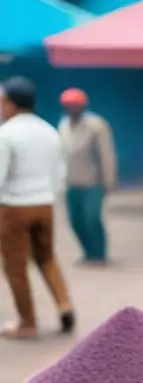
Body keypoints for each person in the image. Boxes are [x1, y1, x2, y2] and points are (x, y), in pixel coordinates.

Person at [0, 77, 75, 339]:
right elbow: (59, 174)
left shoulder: (6, 134)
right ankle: (65, 305)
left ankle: (27, 322)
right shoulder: (49, 131)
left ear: (9, 103)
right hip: (45, 205)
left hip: (14, 207)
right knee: (46, 257)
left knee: (15, 267)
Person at [57, 88, 117, 265]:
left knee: (92, 219)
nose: (72, 108)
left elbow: (107, 154)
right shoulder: (63, 125)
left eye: (75, 105)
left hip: (93, 182)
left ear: (83, 105)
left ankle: (99, 254)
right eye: (69, 105)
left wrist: (109, 181)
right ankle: (88, 253)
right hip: (71, 182)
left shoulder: (97, 125)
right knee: (76, 222)